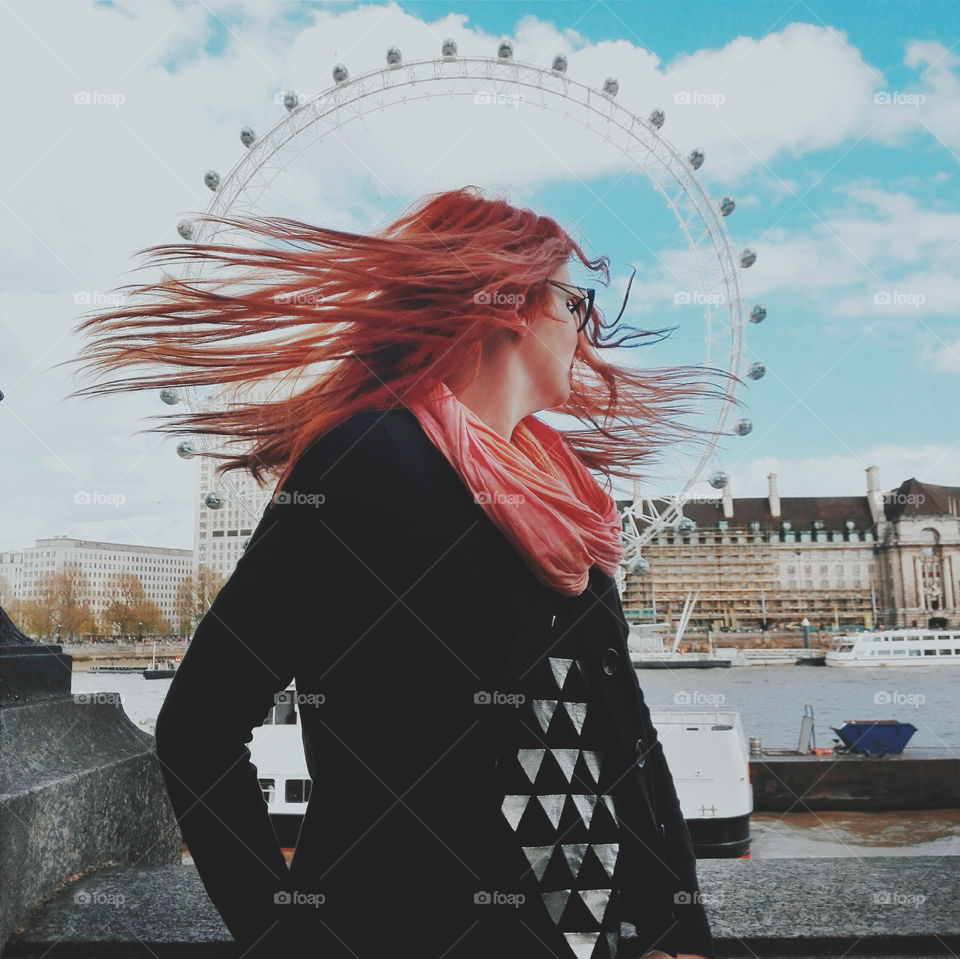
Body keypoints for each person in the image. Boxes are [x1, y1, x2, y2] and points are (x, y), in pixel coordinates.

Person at [65, 185, 737, 958]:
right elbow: (200, 726)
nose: (585, 328)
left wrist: (681, 928)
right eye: (574, 300)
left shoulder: (566, 495)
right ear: (512, 304)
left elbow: (628, 736)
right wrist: (285, 938)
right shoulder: (372, 462)